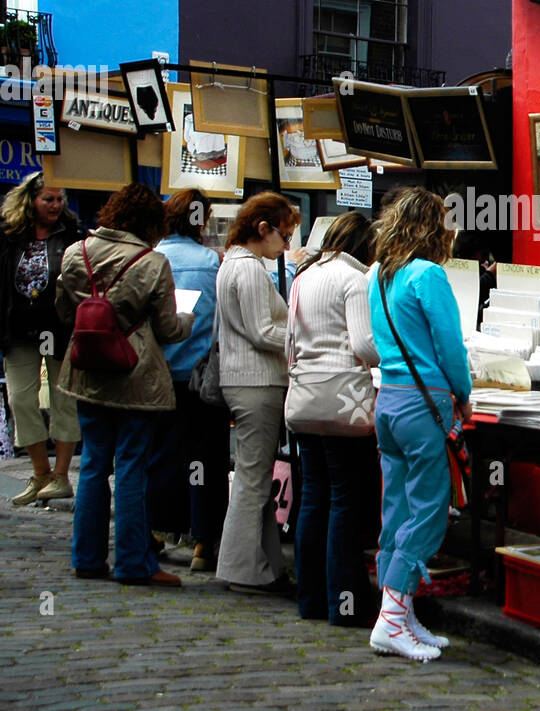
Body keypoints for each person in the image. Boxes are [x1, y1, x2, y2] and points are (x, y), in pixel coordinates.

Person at [55, 183, 192, 586]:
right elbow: (168, 328)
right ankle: (134, 563)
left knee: (94, 464)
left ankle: (87, 557)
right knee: (132, 466)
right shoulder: (152, 263)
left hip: (86, 370)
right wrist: (190, 320)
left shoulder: (75, 252)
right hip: (135, 374)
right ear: (151, 222)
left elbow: (65, 312)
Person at [366, 187, 472, 661]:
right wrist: (464, 394)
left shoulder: (378, 275)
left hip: (387, 400)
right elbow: (450, 346)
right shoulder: (428, 274)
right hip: (424, 404)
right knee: (429, 511)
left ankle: (400, 615)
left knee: (396, 511)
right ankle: (392, 621)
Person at [287, 211, 381, 625]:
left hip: (306, 397)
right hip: (344, 400)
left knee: (314, 497)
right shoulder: (353, 280)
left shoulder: (305, 275)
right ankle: (345, 603)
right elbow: (364, 345)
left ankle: (311, 600)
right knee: (345, 500)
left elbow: (290, 340)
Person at [0, 173, 85, 505]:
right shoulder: (3, 234)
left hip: (59, 329)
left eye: (60, 199)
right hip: (18, 330)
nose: (56, 205)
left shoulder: (73, 233)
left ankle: (61, 477)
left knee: (63, 402)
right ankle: (40, 473)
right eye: (48, 199)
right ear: (30, 200)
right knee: (20, 399)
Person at [215, 191, 299, 593]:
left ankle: (263, 565)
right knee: (252, 479)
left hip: (247, 379)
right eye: (284, 237)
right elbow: (262, 330)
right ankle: (241, 568)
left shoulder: (233, 263)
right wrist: (301, 338)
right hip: (255, 382)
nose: (286, 246)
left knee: (257, 478)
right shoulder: (247, 269)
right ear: (262, 229)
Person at [151, 188, 230, 572]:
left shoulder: (153, 258)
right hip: (201, 376)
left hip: (160, 373)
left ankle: (156, 531)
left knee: (163, 456)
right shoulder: (212, 262)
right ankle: (202, 541)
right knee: (206, 458)